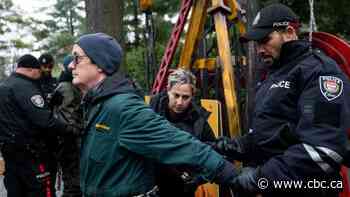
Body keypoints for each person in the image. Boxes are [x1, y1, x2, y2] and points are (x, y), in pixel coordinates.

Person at [69, 33, 238, 197]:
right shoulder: (97, 104)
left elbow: (180, 144)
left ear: (100, 63)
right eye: (176, 95)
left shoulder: (123, 108)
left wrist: (231, 174)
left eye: (77, 58)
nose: (71, 65)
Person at [211, 3, 350, 197]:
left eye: (264, 40)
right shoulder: (274, 75)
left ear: (289, 32)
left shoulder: (320, 72)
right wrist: (238, 146)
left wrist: (261, 177)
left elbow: (324, 150)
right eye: (256, 43)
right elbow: (273, 134)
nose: (259, 49)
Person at [0, 54, 80, 197]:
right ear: (32, 70)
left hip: (10, 153)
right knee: (43, 191)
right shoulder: (26, 87)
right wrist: (70, 129)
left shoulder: (4, 86)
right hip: (33, 155)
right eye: (40, 69)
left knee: (16, 191)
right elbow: (44, 121)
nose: (43, 72)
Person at [150, 68, 216, 197]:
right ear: (168, 90)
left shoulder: (199, 122)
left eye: (185, 97)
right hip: (151, 185)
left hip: (182, 188)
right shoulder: (150, 114)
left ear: (192, 96)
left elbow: (213, 157)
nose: (180, 102)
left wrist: (197, 179)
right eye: (176, 95)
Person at [52, 55, 82, 197]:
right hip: (71, 137)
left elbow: (68, 112)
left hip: (69, 137)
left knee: (72, 180)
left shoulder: (66, 86)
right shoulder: (71, 86)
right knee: (73, 179)